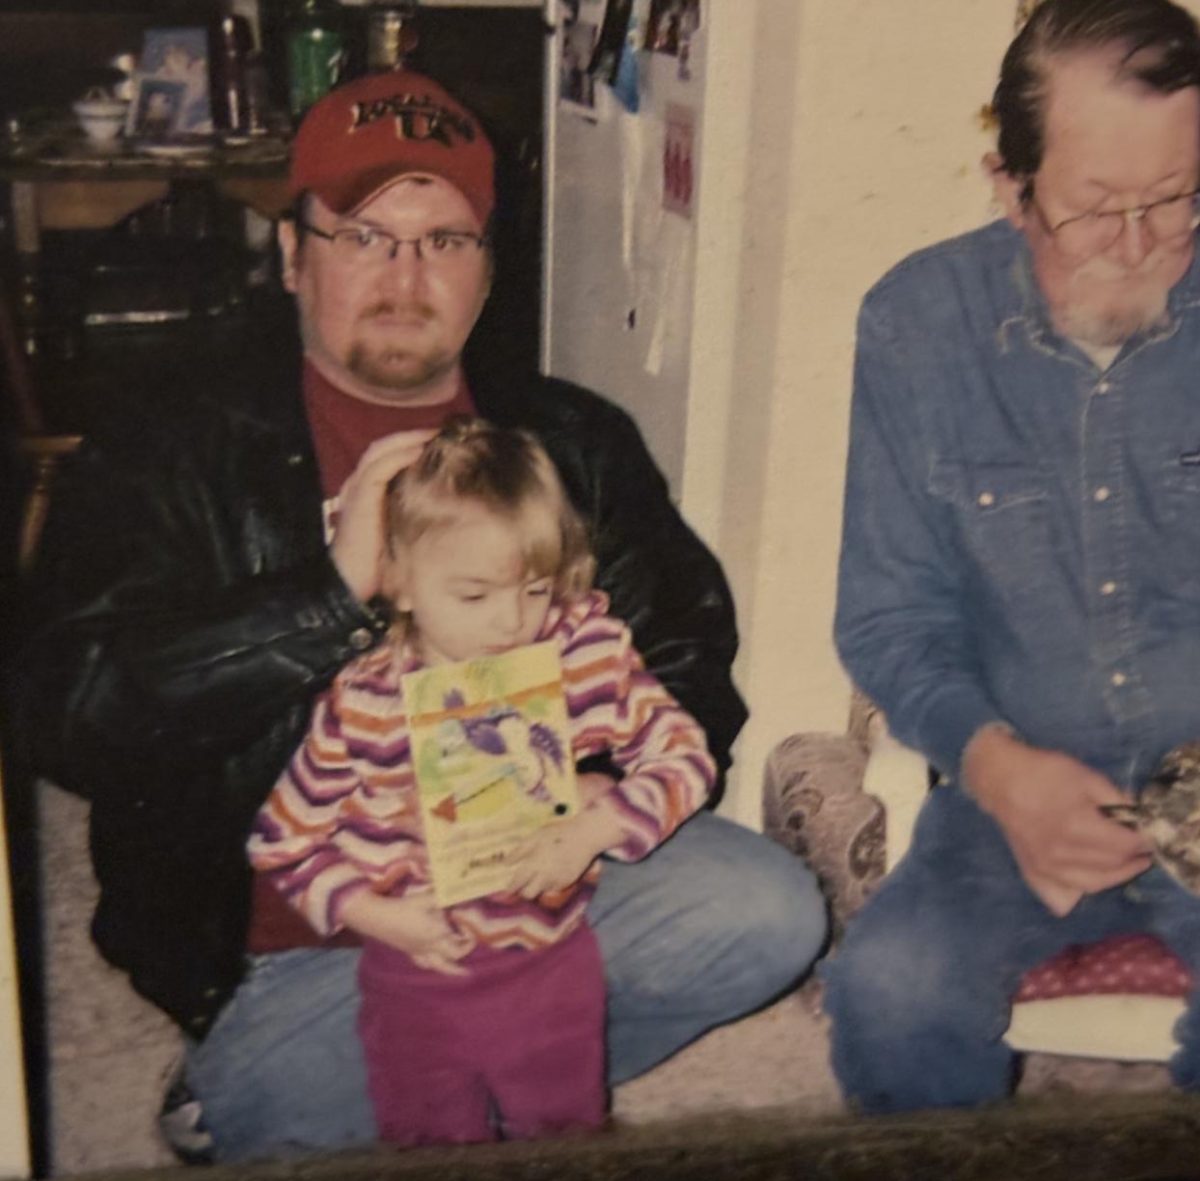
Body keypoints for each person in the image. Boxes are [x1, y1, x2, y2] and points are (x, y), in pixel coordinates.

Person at [10, 69, 825, 1160]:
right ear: (294, 255)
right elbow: (65, 712)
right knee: (277, 1103)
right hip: (294, 936)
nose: (405, 274)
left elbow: (682, 653)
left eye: (444, 239)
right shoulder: (166, 441)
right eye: (363, 235)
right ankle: (319, 1070)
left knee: (770, 912)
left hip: (538, 900)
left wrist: (601, 780)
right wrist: (331, 594)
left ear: (488, 268)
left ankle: (487, 1061)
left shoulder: (570, 441)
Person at [825, 0, 1200, 1113]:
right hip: (1011, 793)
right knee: (888, 991)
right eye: (1094, 209)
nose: (1140, 244)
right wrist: (999, 771)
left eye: (1178, 199)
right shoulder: (915, 322)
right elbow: (890, 616)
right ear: (1008, 183)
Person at [250, 417, 717, 1145]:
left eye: (535, 588)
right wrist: (376, 915)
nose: (511, 622)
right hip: (414, 981)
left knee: (567, 1134)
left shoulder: (581, 650)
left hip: (553, 963)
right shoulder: (365, 704)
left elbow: (686, 755)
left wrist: (599, 824)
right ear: (396, 580)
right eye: (474, 596)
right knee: (427, 1141)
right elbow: (282, 843)